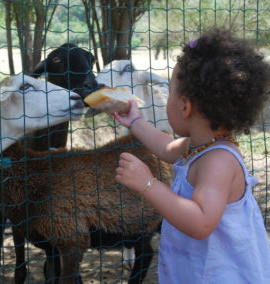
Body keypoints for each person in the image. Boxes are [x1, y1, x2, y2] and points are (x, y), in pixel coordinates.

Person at [114, 28, 270, 283]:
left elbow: (200, 222)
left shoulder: (218, 162)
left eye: (171, 92)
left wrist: (148, 184)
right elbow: (166, 148)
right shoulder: (199, 146)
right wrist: (136, 122)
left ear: (185, 106)